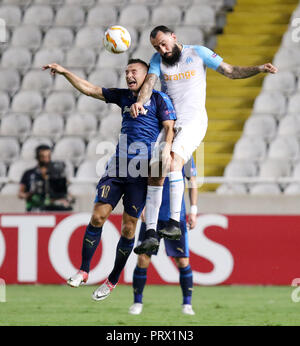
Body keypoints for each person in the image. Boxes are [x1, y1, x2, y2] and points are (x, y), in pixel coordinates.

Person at [130, 25, 278, 249]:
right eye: (157, 47)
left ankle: (174, 222)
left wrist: (258, 68)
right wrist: (140, 102)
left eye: (163, 44)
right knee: (155, 173)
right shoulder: (157, 59)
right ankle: (150, 232)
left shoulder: (197, 52)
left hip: (194, 121)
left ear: (173, 37)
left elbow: (229, 71)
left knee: (173, 161)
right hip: (170, 123)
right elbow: (149, 83)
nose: (162, 50)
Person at [42, 58, 176, 301]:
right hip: (116, 167)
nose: (128, 75)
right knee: (97, 216)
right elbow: (90, 89)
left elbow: (169, 127)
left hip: (140, 173)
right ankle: (84, 270)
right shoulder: (124, 97)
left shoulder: (159, 99)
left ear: (147, 75)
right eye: (126, 72)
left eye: (133, 71)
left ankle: (112, 280)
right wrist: (64, 71)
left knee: (128, 228)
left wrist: (166, 149)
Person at [129, 157, 198, 316]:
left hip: (175, 217)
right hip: (153, 215)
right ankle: (137, 302)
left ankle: (187, 304)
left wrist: (193, 210)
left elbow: (192, 181)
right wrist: (141, 206)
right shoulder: (152, 151)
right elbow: (141, 182)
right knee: (142, 259)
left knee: (182, 261)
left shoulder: (184, 152)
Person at [18, 144, 73, 211]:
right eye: (43, 156)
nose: (46, 158)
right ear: (37, 157)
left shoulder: (57, 173)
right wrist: (28, 195)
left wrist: (66, 197)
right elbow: (20, 193)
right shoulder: (29, 173)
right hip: (35, 208)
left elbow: (63, 190)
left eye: (48, 156)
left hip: (53, 208)